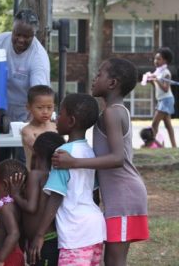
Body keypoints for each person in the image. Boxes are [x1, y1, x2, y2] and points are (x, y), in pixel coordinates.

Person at [52, 59, 149, 266]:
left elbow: (117, 158)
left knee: (114, 260)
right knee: (112, 259)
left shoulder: (113, 112)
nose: (94, 78)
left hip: (124, 197)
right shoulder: (113, 111)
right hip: (121, 196)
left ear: (112, 83)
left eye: (99, 74)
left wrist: (74, 162)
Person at [30, 93, 106, 265]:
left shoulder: (62, 154)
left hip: (75, 233)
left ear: (71, 121)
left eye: (60, 113)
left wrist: (39, 234)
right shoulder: (89, 152)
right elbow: (95, 194)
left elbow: (56, 197)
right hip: (95, 228)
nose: (55, 117)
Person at [0, 9, 51, 165]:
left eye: (27, 36)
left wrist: (31, 128)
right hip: (0, 113)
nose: (21, 39)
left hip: (25, 116)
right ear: (12, 29)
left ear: (34, 35)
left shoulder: (39, 58)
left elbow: (39, 98)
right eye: (17, 34)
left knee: (23, 162)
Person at [10, 132, 65, 266]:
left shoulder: (35, 175)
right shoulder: (52, 175)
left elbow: (31, 207)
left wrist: (16, 194)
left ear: (36, 153)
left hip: (43, 241)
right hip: (48, 239)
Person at [0, 159, 27, 266]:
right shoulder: (13, 206)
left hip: (7, 258)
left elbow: (14, 233)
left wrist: (0, 259)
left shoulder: (6, 208)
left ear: (5, 185)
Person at [144, 47, 177, 148]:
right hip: (162, 100)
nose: (156, 61)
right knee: (168, 126)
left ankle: (152, 145)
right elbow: (157, 87)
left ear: (165, 61)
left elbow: (165, 89)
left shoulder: (166, 73)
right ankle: (174, 147)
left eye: (159, 59)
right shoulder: (158, 72)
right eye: (155, 59)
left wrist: (156, 79)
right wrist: (152, 81)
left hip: (166, 100)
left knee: (154, 124)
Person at [21, 85, 56, 171]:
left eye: (49, 107)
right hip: (35, 175)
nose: (45, 112)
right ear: (28, 107)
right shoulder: (28, 131)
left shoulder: (55, 127)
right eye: (40, 108)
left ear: (54, 106)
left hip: (54, 174)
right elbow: (39, 150)